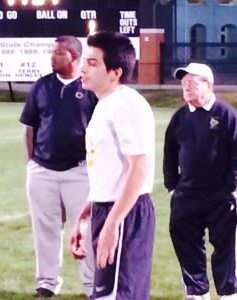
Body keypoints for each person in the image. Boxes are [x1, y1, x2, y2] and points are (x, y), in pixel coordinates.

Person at [70, 31, 156, 300]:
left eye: (93, 62)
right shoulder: (105, 104)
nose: (83, 67)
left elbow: (138, 168)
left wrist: (112, 223)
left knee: (119, 296)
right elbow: (110, 169)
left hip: (124, 214)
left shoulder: (127, 104)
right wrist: (88, 210)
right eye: (85, 60)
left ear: (115, 72)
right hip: (107, 209)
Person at [19, 35, 97, 299]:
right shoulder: (41, 86)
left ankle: (92, 285)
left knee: (85, 230)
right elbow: (29, 126)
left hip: (79, 171)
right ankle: (47, 283)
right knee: (45, 230)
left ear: (74, 56)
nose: (52, 57)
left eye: (58, 53)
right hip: (43, 170)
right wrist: (31, 161)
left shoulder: (89, 87)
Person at [163, 62, 237, 300]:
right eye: (184, 83)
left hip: (220, 196)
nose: (186, 87)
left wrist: (232, 188)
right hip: (186, 195)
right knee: (185, 241)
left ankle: (228, 292)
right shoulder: (180, 117)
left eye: (192, 83)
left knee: (225, 246)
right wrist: (172, 187)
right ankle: (197, 291)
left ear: (208, 85)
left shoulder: (226, 115)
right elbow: (170, 153)